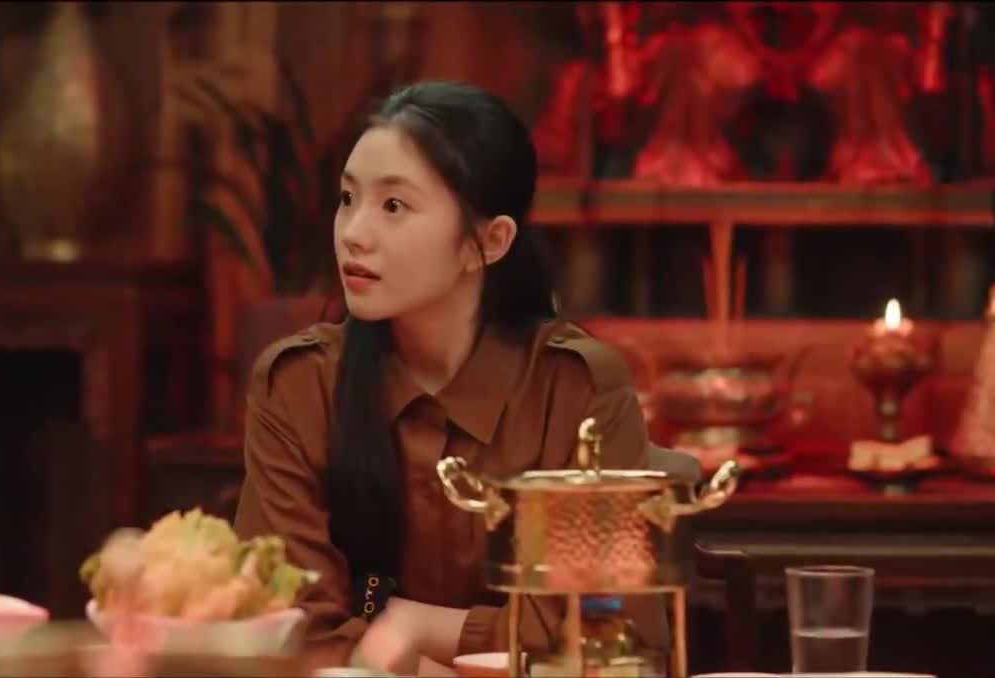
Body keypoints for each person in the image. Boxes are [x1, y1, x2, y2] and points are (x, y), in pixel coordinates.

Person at [233, 80, 669, 675]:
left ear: (488, 242)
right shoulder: (300, 384)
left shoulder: (574, 388)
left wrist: (416, 626)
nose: (353, 232)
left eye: (394, 206)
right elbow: (286, 626)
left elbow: (613, 625)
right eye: (347, 198)